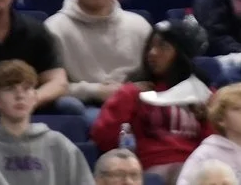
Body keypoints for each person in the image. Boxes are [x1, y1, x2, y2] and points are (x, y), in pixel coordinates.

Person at [89, 18, 212, 170]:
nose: (152, 53)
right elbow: (103, 139)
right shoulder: (133, 92)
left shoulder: (203, 94)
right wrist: (126, 96)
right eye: (150, 46)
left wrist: (208, 114)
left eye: (163, 46)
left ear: (181, 54)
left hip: (196, 169)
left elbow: (216, 144)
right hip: (148, 171)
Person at [0, 60, 93, 185]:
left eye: (26, 89)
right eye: (10, 89)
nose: (20, 96)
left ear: (34, 97)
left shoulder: (59, 144)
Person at [47, 0, 150, 111]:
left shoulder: (139, 25)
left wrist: (128, 91)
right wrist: (96, 91)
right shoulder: (54, 28)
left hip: (136, 102)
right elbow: (49, 86)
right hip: (87, 106)